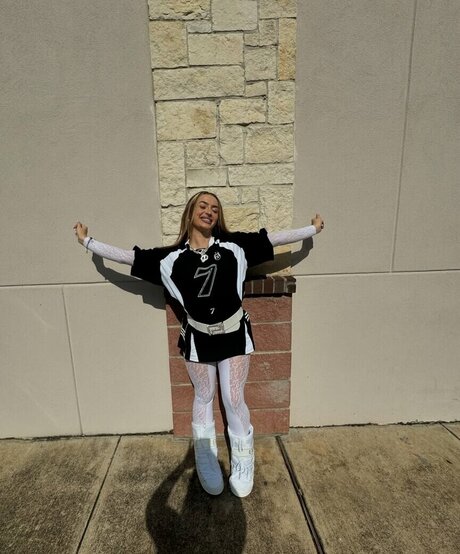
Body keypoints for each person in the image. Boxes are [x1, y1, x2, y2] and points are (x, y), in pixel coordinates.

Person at [73, 191, 324, 498]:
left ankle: (243, 457)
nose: (209, 211)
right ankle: (206, 457)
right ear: (191, 212)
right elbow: (128, 257)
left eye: (215, 208)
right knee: (204, 396)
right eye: (203, 206)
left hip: (234, 334)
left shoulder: (235, 246)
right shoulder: (169, 259)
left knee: (233, 397)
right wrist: (88, 242)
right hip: (197, 339)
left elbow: (274, 238)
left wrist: (311, 230)